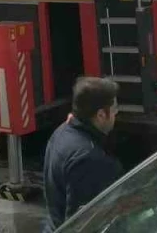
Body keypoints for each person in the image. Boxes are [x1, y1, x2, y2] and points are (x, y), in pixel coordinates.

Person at [42, 77, 124, 230]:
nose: (116, 113)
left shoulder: (61, 132)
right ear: (101, 115)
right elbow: (81, 225)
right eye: (114, 109)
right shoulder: (89, 159)